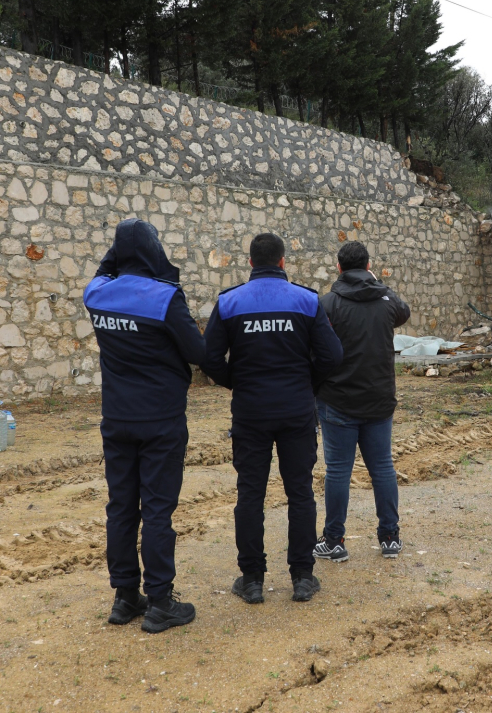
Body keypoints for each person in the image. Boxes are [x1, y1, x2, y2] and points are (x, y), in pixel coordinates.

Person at [201, 233, 343, 604]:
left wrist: (238, 382)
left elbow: (210, 359)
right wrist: (306, 385)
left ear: (250, 262)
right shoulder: (307, 300)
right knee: (300, 493)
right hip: (296, 411)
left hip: (250, 413)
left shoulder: (230, 302)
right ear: (282, 262)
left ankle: (251, 579)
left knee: (250, 494)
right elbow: (332, 355)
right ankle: (302, 577)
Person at [83, 219, 206, 633]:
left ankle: (123, 597)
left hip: (116, 418)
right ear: (155, 250)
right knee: (157, 509)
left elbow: (103, 270)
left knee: (121, 507)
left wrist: (116, 255)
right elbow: (196, 351)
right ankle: (159, 602)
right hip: (160, 419)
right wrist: (166, 273)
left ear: (116, 253)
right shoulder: (164, 297)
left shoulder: (96, 293)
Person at [313, 241, 410, 563]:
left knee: (338, 471)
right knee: (382, 468)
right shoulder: (386, 301)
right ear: (369, 266)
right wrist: (379, 285)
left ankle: (334, 540)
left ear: (338, 268)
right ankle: (390, 537)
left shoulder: (327, 305)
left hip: (337, 402)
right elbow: (403, 312)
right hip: (379, 400)